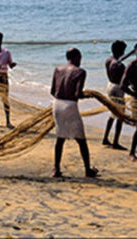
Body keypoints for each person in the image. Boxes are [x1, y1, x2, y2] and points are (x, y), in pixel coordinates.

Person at [50, 48, 98, 178]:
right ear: (77, 57)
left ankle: (56, 169)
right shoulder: (80, 72)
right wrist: (87, 96)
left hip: (57, 105)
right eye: (80, 58)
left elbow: (52, 91)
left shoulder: (58, 69)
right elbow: (77, 93)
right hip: (70, 106)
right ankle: (88, 170)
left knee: (60, 138)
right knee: (81, 140)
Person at [102, 40, 128, 150]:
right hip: (117, 89)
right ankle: (115, 142)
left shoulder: (109, 60)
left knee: (112, 113)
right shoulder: (119, 65)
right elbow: (124, 82)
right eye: (123, 50)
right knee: (120, 115)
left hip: (110, 86)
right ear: (120, 51)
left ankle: (105, 138)